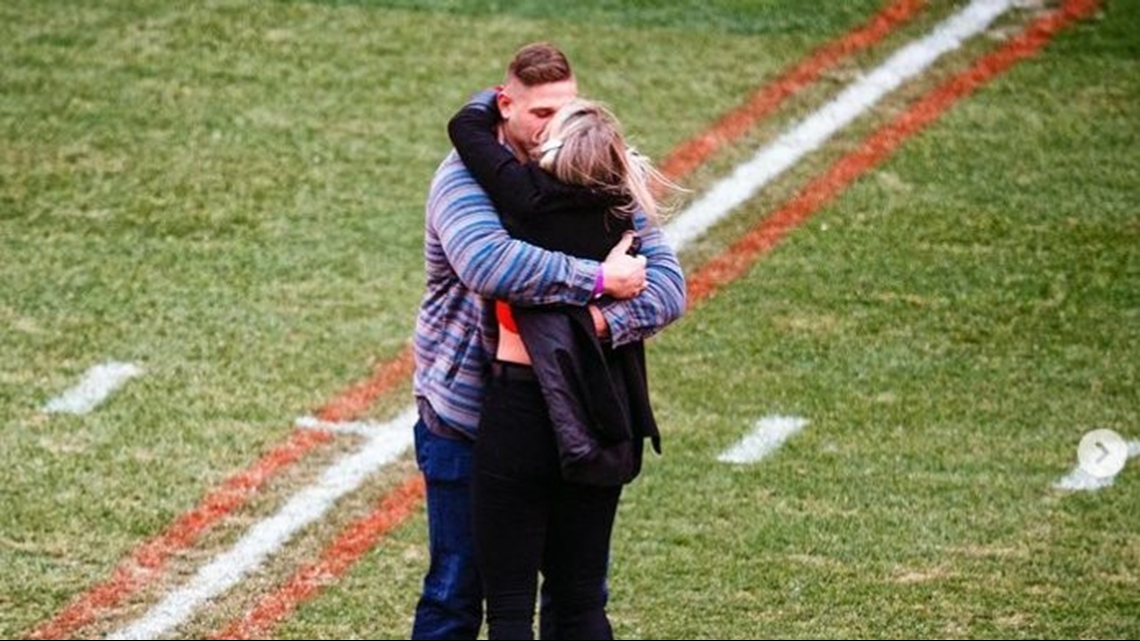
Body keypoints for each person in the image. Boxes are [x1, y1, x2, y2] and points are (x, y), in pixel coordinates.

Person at [412, 42, 685, 640]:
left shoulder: (595, 172)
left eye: (564, 113)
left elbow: (668, 287)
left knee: (575, 599)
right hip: (469, 415)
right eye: (539, 115)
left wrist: (591, 328)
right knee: (458, 595)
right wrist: (599, 280)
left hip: (575, 414)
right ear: (504, 106)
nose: (551, 129)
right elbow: (490, 265)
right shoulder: (463, 180)